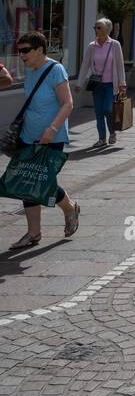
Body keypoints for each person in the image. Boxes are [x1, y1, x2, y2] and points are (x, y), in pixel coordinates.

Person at [5, 31, 80, 251]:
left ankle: (69, 208)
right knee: (29, 183)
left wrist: (52, 129)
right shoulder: (31, 71)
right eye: (20, 51)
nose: (22, 55)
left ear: (40, 50)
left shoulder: (55, 70)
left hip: (50, 137)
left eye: (26, 50)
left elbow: (68, 103)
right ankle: (34, 232)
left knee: (41, 181)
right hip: (29, 135)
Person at [76, 17, 126, 148]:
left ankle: (112, 132)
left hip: (111, 84)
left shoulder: (115, 45)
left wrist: (122, 83)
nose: (96, 30)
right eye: (95, 27)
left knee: (108, 109)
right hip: (97, 84)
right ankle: (102, 138)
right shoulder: (92, 46)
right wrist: (79, 83)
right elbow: (85, 65)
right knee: (98, 112)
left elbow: (120, 66)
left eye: (99, 27)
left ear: (107, 30)